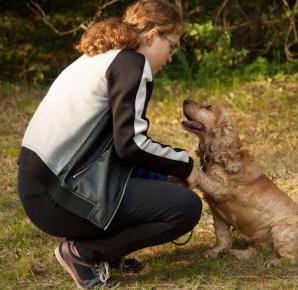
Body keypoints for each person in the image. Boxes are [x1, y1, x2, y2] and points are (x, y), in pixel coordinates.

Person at [17, 0, 202, 288]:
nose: (170, 57)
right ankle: (85, 253)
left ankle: (104, 251)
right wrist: (184, 165)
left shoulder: (102, 56)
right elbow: (131, 145)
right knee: (186, 207)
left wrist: (162, 174)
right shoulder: (133, 63)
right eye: (172, 45)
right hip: (59, 197)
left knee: (161, 182)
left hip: (42, 186)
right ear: (153, 35)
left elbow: (116, 146)